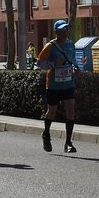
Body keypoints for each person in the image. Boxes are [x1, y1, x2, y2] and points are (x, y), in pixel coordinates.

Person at [37, 20, 79, 153]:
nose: (64, 32)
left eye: (66, 29)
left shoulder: (71, 44)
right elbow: (39, 63)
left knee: (71, 111)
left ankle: (68, 142)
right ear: (56, 32)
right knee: (52, 112)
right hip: (54, 85)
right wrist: (54, 64)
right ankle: (46, 134)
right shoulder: (50, 46)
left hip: (68, 83)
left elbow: (73, 60)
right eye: (61, 30)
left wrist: (77, 68)